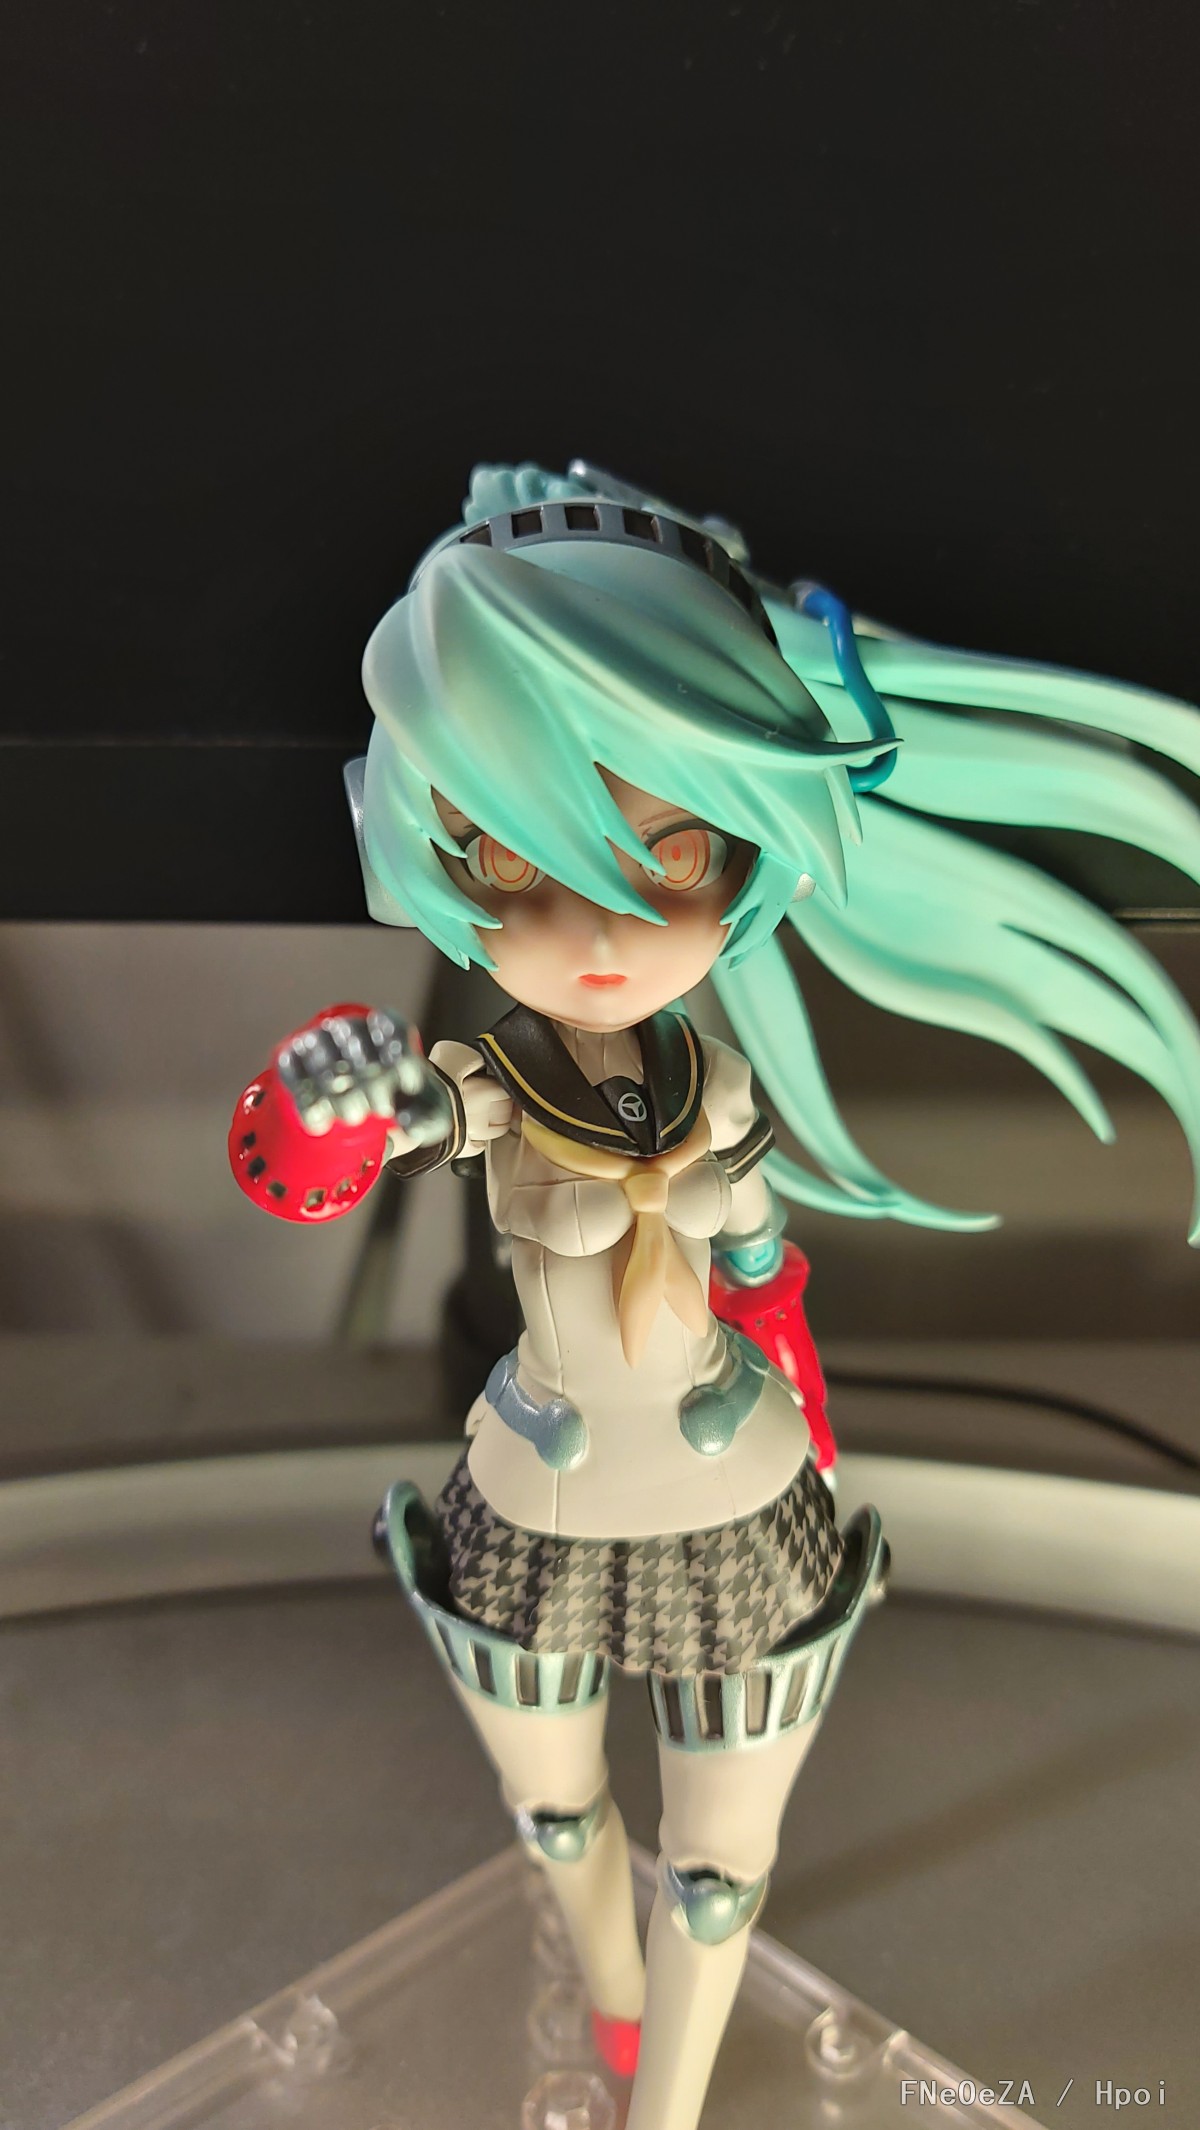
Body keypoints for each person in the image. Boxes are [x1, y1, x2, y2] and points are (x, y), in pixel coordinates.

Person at [230, 460, 1200, 2130]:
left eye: (666, 855)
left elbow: (763, 1269)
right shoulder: (483, 1085)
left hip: (736, 1493)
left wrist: (798, 1377)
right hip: (538, 1501)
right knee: (558, 1816)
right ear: (440, 853)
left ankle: (666, 2102)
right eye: (516, 863)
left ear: (745, 850)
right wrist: (328, 1095)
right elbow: (333, 1152)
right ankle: (616, 2009)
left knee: (722, 1867)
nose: (599, 927)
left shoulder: (725, 1093)